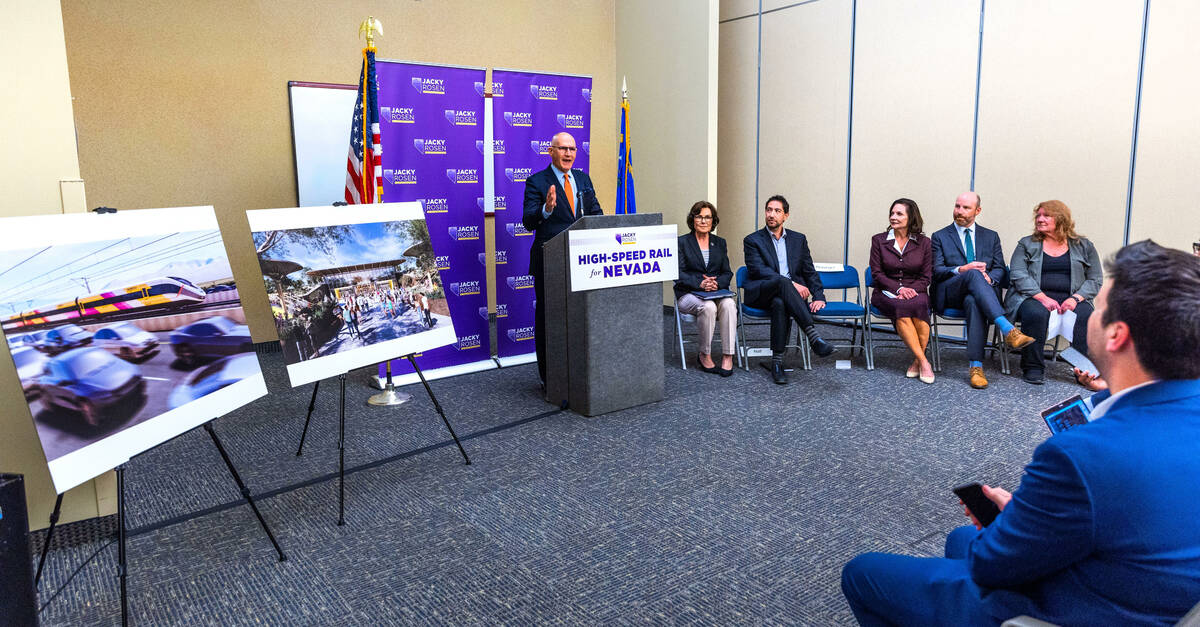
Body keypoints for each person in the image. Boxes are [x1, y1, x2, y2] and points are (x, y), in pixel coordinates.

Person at [841, 240, 1200, 626]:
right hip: (1157, 596)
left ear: (1116, 336)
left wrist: (1014, 523)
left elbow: (990, 567)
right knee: (958, 539)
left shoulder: (1080, 455)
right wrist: (1030, 517)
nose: (1090, 314)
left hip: (1070, 609)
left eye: (1100, 309)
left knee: (864, 573)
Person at [521, 131, 603, 385]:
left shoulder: (582, 178)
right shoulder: (536, 182)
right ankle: (551, 379)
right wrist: (546, 209)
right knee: (550, 320)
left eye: (572, 149)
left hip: (582, 262)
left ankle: (577, 374)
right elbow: (527, 221)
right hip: (551, 263)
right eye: (563, 148)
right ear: (551, 151)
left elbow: (596, 214)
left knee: (580, 318)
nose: (569, 153)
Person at [930, 191, 1035, 389]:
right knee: (972, 273)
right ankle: (1007, 328)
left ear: (977, 211)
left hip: (979, 294)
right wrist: (963, 269)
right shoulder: (940, 236)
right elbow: (936, 271)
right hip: (950, 292)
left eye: (966, 208)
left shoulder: (991, 236)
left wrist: (989, 278)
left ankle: (976, 367)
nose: (959, 211)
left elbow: (1000, 269)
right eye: (957, 206)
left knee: (973, 301)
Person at [1004, 200, 1104, 385]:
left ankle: (1082, 370)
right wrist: (1042, 297)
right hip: (1032, 296)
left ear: (1061, 219)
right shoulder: (1026, 244)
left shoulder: (1084, 246)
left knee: (1084, 315)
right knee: (1035, 313)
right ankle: (1033, 366)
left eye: (1046, 215)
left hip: (1072, 298)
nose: (1040, 219)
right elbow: (1018, 274)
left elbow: (1095, 279)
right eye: (1038, 215)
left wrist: (1075, 299)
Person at [742, 194, 836, 385]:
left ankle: (776, 362)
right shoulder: (752, 240)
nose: (771, 214)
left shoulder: (798, 239)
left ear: (785, 215)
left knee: (780, 303)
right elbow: (759, 270)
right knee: (783, 283)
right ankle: (813, 336)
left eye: (777, 211)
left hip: (785, 297)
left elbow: (809, 271)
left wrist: (818, 296)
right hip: (761, 292)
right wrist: (792, 283)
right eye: (769, 210)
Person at [868, 198, 934, 384]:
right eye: (892, 213)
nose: (893, 217)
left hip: (916, 291)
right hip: (886, 291)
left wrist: (910, 290)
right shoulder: (879, 240)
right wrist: (899, 288)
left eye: (899, 214)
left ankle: (915, 362)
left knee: (921, 305)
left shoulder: (924, 243)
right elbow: (876, 273)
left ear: (911, 217)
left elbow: (926, 276)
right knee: (902, 310)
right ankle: (924, 361)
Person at [674, 201, 736, 376]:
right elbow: (678, 273)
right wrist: (699, 283)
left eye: (707, 217)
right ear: (692, 219)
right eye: (699, 216)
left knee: (730, 304)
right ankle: (704, 354)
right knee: (708, 307)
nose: (703, 221)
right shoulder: (682, 242)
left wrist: (717, 284)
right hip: (689, 294)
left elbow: (727, 272)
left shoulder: (720, 243)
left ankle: (727, 355)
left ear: (713, 220)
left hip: (715, 292)